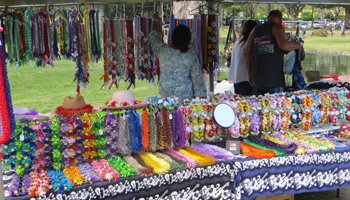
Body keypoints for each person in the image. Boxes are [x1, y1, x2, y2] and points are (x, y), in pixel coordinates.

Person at [149, 13, 207, 101]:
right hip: (185, 104)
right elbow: (198, 85)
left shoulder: (163, 51)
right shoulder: (191, 58)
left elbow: (153, 37)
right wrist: (203, 100)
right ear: (186, 40)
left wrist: (155, 20)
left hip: (166, 102)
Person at [245, 10, 302, 95]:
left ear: (268, 18)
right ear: (280, 20)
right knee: (274, 107)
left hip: (256, 80)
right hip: (274, 81)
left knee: (257, 107)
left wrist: (250, 75)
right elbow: (283, 45)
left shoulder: (255, 29)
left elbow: (246, 53)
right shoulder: (278, 27)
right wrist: (299, 46)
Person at [227, 20, 257, 96]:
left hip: (237, 77)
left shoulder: (239, 41)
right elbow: (246, 55)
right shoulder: (248, 41)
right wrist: (250, 74)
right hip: (245, 78)